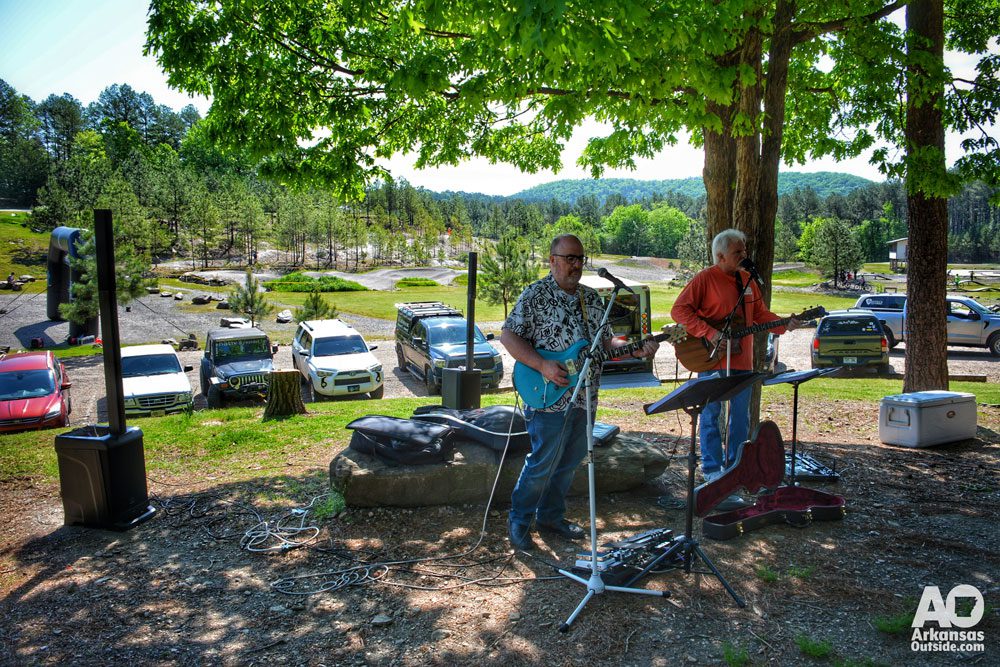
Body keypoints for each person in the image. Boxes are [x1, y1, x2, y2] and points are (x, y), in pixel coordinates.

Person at [502, 234, 659, 550]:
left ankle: (550, 517)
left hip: (586, 395)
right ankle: (519, 521)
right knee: (543, 462)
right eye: (569, 258)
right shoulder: (535, 295)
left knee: (570, 462)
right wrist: (543, 365)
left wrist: (634, 348)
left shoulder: (592, 298)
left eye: (580, 259)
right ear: (552, 260)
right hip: (547, 395)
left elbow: (605, 344)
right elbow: (509, 336)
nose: (576, 265)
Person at [670, 229, 800, 510]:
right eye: (737, 252)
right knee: (711, 415)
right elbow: (679, 311)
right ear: (720, 256)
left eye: (744, 250)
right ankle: (712, 469)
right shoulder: (705, 279)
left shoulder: (748, 281)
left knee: (740, 417)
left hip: (742, 362)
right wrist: (710, 332)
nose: (744, 255)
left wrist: (784, 324)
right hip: (712, 360)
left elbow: (761, 316)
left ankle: (735, 470)